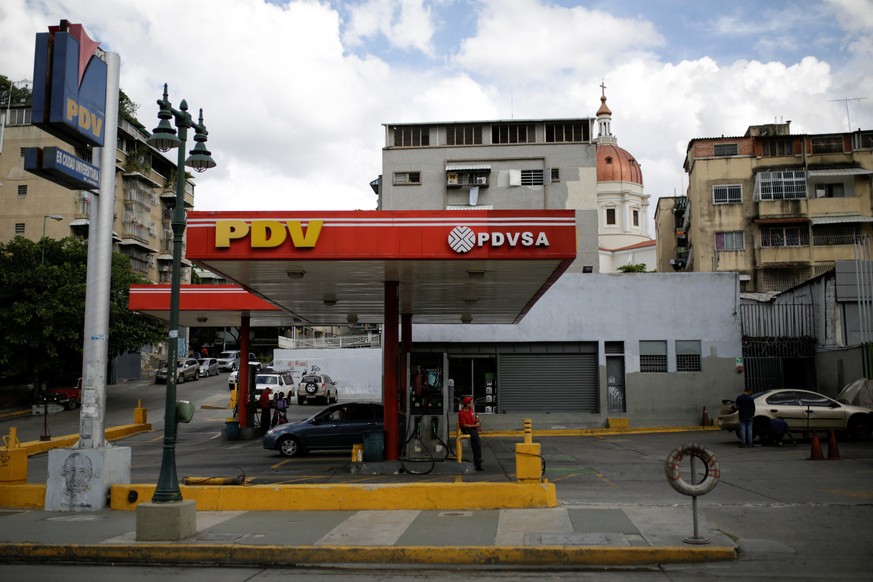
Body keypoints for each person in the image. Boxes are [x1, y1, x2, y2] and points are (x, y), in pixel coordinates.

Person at [458, 396, 483, 471]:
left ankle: (478, 459)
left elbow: (472, 420)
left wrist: (477, 421)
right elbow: (464, 425)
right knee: (475, 441)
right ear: (467, 404)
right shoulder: (462, 413)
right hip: (466, 429)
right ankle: (477, 461)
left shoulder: (471, 410)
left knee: (478, 442)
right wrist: (475, 425)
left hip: (472, 428)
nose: (472, 403)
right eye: (470, 402)